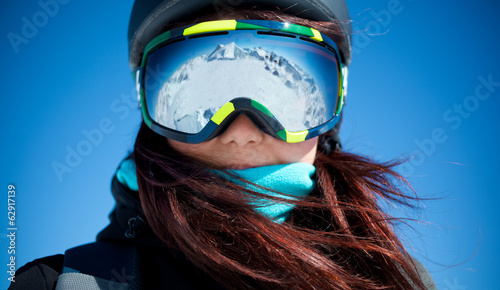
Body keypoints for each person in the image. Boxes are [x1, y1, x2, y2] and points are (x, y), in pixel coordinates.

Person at [11, 0, 437, 289]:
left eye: (288, 94)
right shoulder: (65, 285)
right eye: (194, 100)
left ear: (332, 109)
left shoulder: (395, 281)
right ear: (149, 108)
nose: (241, 131)